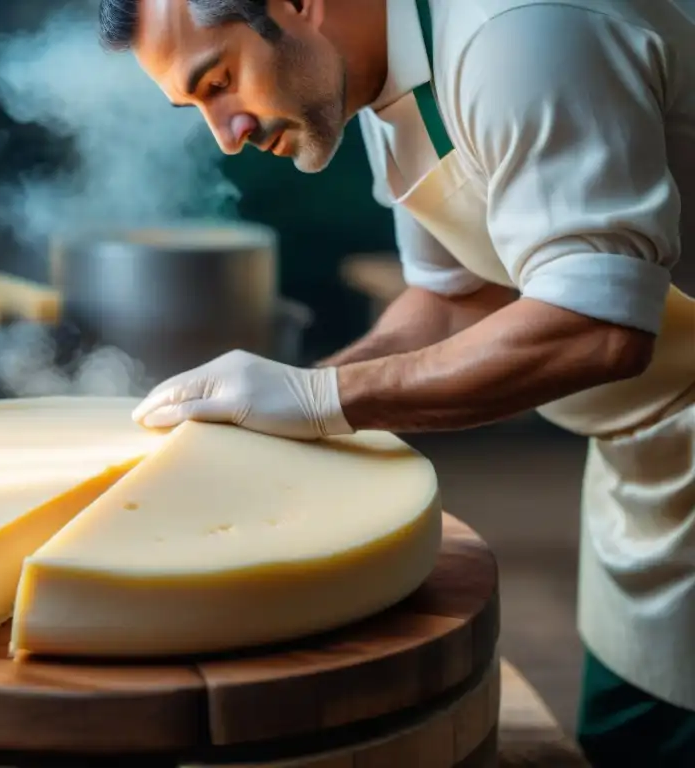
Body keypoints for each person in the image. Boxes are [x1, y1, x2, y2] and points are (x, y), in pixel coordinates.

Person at [96, 0, 695, 764]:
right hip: (643, 469)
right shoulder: (380, 78)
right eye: (198, 106)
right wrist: (294, 395)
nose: (227, 134)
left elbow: (600, 326)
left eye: (221, 81)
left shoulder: (519, 32)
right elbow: (459, 300)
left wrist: (322, 403)